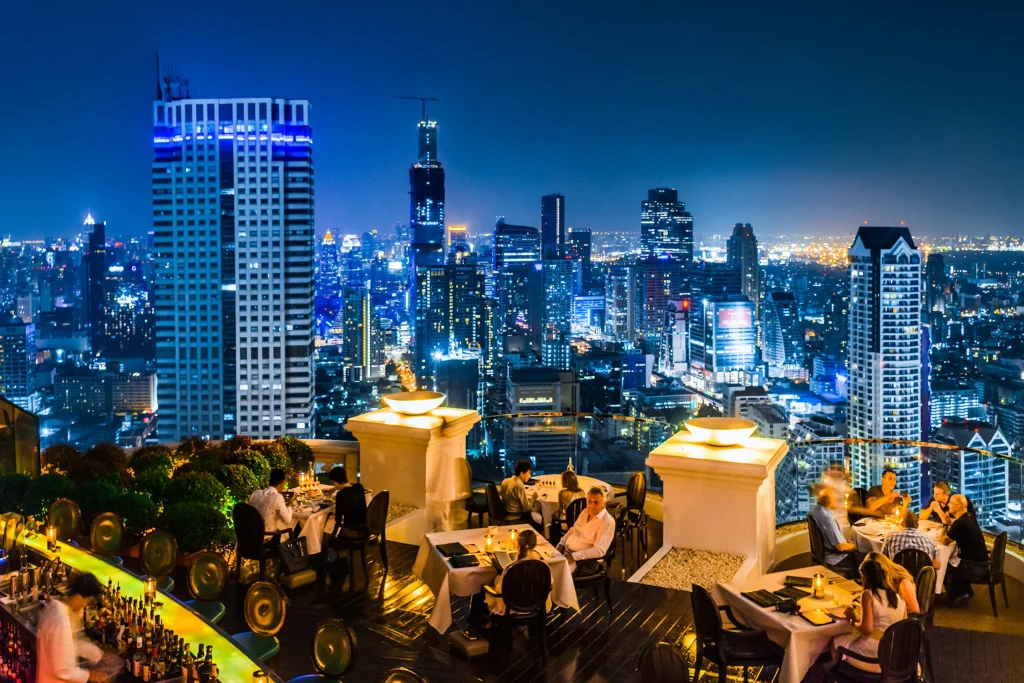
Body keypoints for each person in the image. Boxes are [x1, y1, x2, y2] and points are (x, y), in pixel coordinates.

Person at [832, 553, 920, 673]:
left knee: (836, 641)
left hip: (874, 653)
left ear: (865, 576)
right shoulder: (898, 595)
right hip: (891, 651)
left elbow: (867, 629)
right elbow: (902, 624)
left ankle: (840, 674)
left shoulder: (868, 594)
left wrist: (852, 619)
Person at [37, 572, 110, 683]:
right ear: (77, 598)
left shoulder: (55, 607)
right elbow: (62, 671)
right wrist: (90, 675)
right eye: (87, 601)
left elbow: (75, 642)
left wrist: (100, 654)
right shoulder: (61, 622)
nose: (86, 605)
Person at [482, 529, 547, 617]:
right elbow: (549, 584)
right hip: (536, 605)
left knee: (489, 587)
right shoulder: (543, 565)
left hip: (512, 607)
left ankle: (486, 621)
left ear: (517, 545)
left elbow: (501, 588)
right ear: (535, 545)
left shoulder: (511, 567)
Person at [940, 494, 990, 604]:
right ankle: (965, 591)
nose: (948, 505)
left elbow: (944, 541)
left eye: (950, 503)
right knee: (952, 560)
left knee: (943, 565)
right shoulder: (970, 516)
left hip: (975, 567)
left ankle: (956, 595)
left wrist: (945, 524)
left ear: (957, 507)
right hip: (983, 563)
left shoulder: (960, 523)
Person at [556, 487, 615, 576]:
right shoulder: (585, 512)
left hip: (585, 562)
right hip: (567, 553)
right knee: (545, 564)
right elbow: (573, 530)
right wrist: (561, 543)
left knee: (557, 573)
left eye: (596, 502)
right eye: (590, 502)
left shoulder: (607, 522)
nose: (592, 505)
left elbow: (599, 550)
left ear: (604, 503)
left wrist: (573, 556)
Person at [808, 486, 866, 574]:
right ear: (829, 501)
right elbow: (841, 547)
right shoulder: (828, 519)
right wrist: (854, 546)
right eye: (835, 499)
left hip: (827, 555)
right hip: (837, 559)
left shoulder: (816, 510)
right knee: (872, 560)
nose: (837, 501)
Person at [247, 468, 294, 538]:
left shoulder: (255, 494)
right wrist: (290, 505)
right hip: (268, 537)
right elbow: (287, 520)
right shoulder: (277, 497)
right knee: (295, 531)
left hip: (252, 536)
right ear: (281, 484)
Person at [499, 459, 543, 529]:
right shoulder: (519, 485)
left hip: (505, 513)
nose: (530, 476)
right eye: (529, 473)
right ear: (522, 474)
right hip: (516, 516)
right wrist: (533, 497)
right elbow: (527, 508)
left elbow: (501, 495)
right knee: (540, 518)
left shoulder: (505, 481)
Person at [328, 466, 368, 539]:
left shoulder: (341, 494)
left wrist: (333, 515)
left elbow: (338, 520)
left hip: (351, 532)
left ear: (335, 482)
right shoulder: (359, 487)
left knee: (328, 524)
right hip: (365, 529)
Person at [550, 470, 586, 544]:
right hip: (580, 520)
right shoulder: (582, 492)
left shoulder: (562, 493)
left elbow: (561, 509)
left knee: (554, 516)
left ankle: (553, 541)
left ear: (565, 482)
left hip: (568, 521)